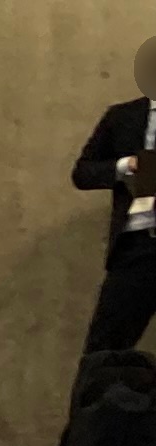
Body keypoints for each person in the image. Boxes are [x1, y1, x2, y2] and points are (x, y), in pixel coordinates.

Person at [69, 38, 156, 362]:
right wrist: (126, 166)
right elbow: (83, 173)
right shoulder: (123, 117)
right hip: (139, 244)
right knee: (104, 350)